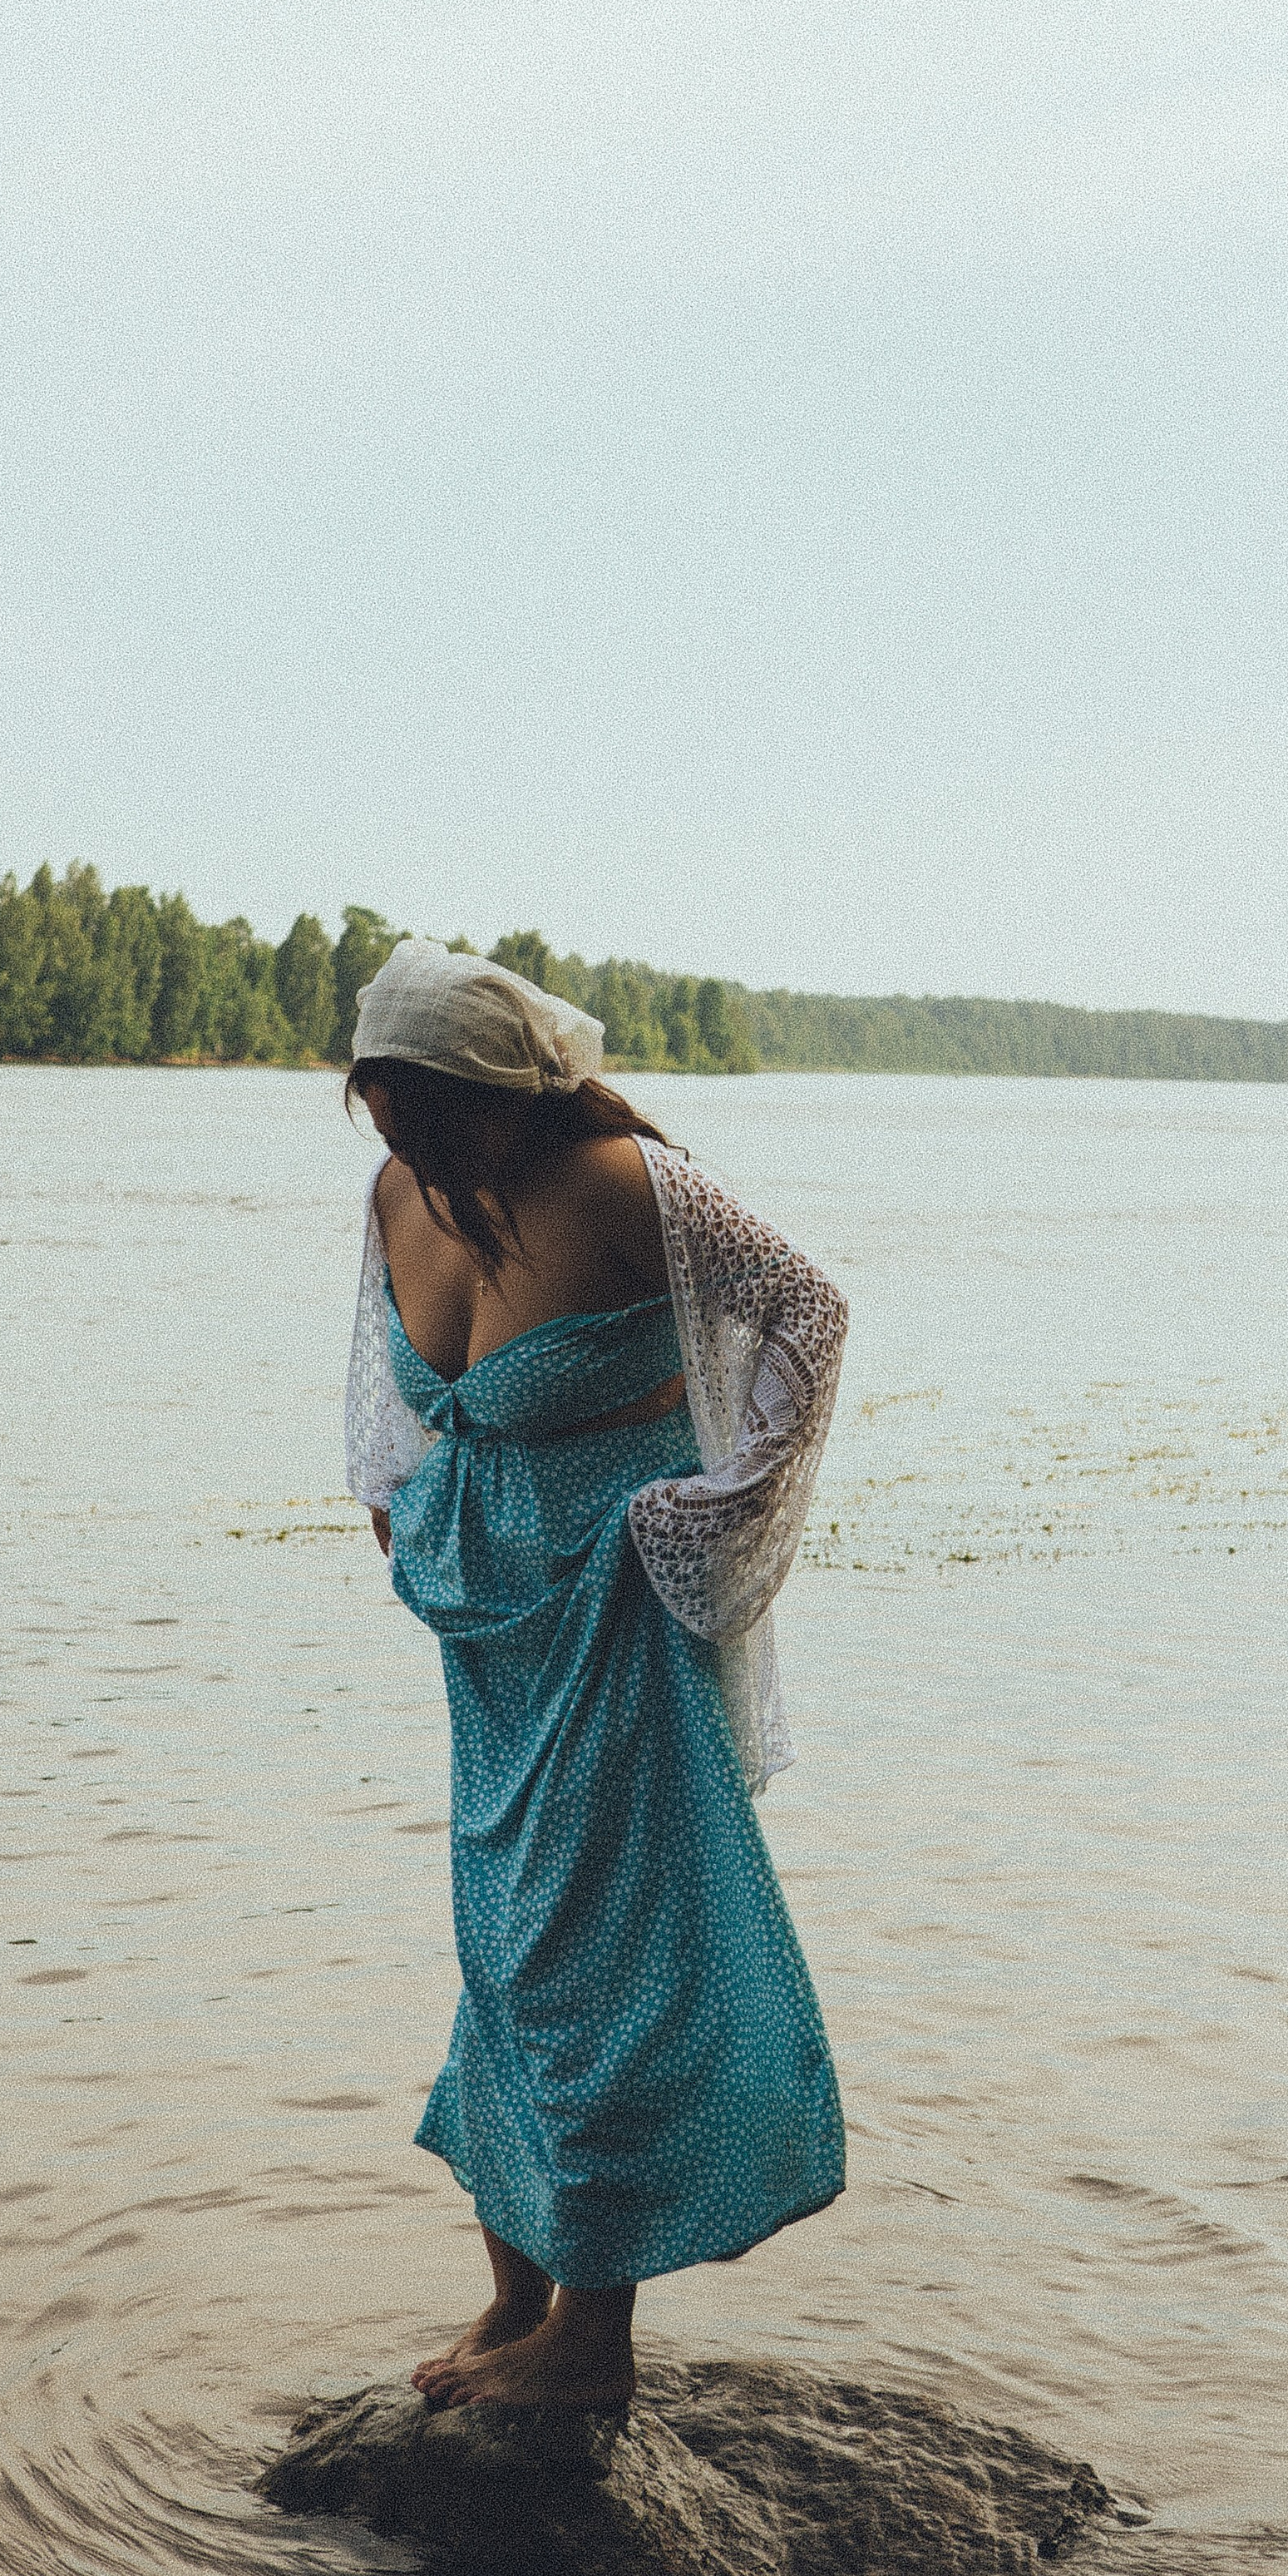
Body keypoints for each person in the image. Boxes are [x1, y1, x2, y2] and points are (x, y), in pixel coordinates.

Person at [343, 938, 849, 2415]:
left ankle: (597, 2345)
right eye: (381, 1112)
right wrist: (405, 1507)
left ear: (509, 1090)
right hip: (491, 1635)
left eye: (431, 1116)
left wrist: (709, 1509)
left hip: (617, 1624)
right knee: (501, 1942)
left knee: (599, 1955)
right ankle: (517, 2297)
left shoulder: (629, 1187)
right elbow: (388, 1381)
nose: (408, 1146)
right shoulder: (398, 1189)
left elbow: (807, 1316)